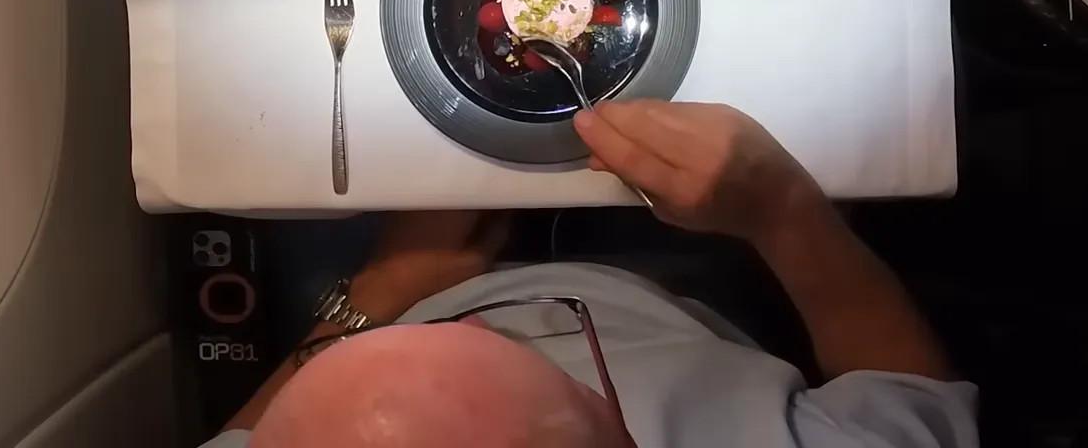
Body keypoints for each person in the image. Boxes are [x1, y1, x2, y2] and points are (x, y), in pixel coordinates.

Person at [203, 101, 977, 447]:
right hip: (695, 280)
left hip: (398, 284)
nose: (494, 323)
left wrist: (385, 290)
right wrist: (782, 210)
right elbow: (910, 392)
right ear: (622, 432)